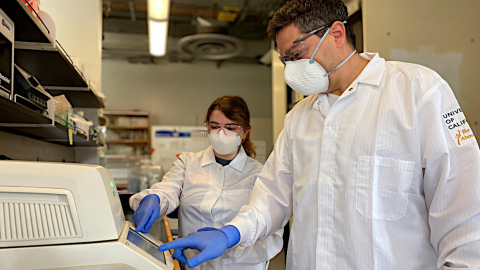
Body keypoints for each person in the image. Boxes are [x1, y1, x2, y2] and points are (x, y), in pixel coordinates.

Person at [159, 0, 480, 269]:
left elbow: (465, 216)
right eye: (285, 60)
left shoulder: (415, 90)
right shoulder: (299, 118)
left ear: (337, 33)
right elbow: (271, 196)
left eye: (297, 54)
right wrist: (231, 233)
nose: (291, 69)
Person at [129, 96, 283, 270]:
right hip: (193, 265)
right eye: (215, 126)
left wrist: (227, 242)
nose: (221, 133)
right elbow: (167, 189)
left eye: (231, 127)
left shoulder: (260, 174)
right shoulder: (188, 162)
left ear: (246, 133)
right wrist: (155, 198)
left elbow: (269, 232)